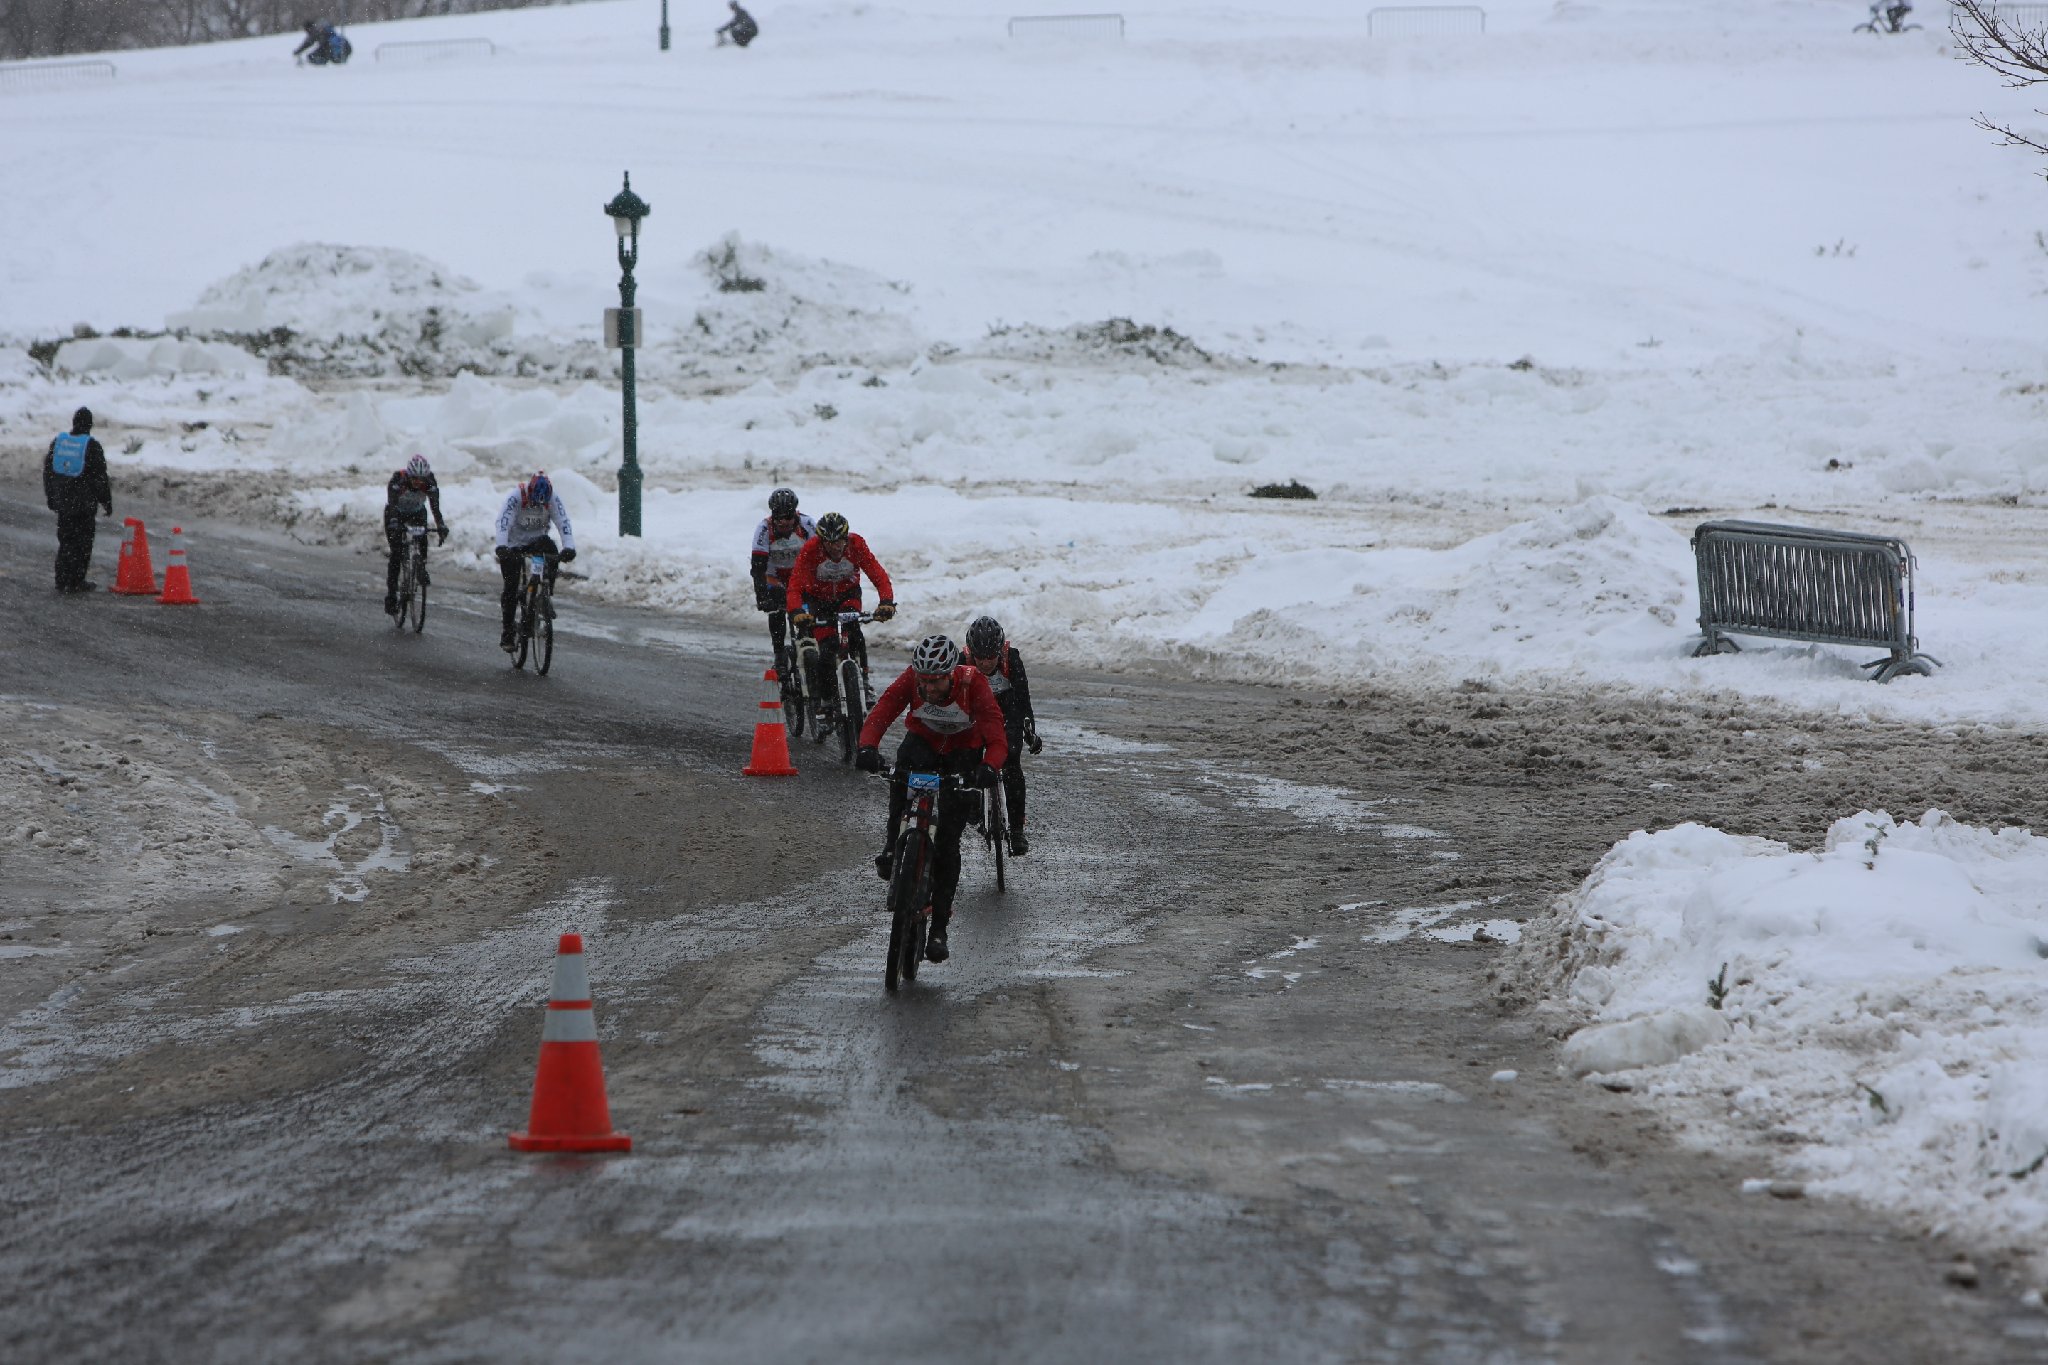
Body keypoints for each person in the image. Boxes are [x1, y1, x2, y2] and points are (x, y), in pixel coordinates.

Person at [855, 634, 1008, 964]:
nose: (928, 687)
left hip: (963, 754)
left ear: (951, 674)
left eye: (936, 681)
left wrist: (988, 767)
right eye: (923, 680)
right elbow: (883, 710)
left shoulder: (973, 683)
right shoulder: (912, 679)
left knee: (948, 844)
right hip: (923, 744)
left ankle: (939, 928)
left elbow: (997, 735)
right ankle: (892, 846)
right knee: (899, 779)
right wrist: (867, 746)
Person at [784, 511, 896, 702]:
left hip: (848, 595)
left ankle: (864, 682)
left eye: (839, 542)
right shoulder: (811, 549)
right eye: (829, 543)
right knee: (827, 649)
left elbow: (878, 575)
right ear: (821, 541)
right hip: (819, 600)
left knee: (854, 634)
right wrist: (796, 611)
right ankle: (827, 701)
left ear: (846, 538)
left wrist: (886, 602)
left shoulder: (856, 545)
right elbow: (795, 585)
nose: (835, 547)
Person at [965, 615, 1043, 856]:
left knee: (1011, 762)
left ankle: (1017, 829)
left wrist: (1029, 731)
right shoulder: (962, 662)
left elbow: (1023, 699)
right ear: (971, 653)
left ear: (1000, 651)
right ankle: (973, 803)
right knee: (967, 758)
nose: (985, 663)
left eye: (991, 657)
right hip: (975, 716)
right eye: (980, 657)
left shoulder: (1012, 659)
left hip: (1007, 715)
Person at [493, 472, 575, 652]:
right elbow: (503, 521)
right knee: (511, 587)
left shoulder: (552, 498)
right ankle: (508, 632)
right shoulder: (516, 496)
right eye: (534, 502)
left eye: (541, 504)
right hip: (513, 544)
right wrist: (501, 546)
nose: (537, 506)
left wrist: (569, 546)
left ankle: (545, 594)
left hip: (537, 542)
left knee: (552, 551)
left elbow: (563, 521)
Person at [43, 406, 112, 594]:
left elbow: (49, 472)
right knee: (82, 544)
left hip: (64, 503)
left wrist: (51, 497)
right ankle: (76, 581)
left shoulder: (59, 443)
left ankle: (61, 579)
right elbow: (100, 478)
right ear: (90, 425)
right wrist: (106, 502)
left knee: (66, 541)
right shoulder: (92, 446)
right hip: (84, 505)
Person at [750, 487, 815, 675]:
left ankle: (809, 644)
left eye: (788, 517)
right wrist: (762, 597)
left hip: (800, 577)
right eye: (779, 518)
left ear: (795, 513)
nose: (784, 522)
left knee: (809, 611)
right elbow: (758, 567)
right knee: (776, 607)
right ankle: (779, 653)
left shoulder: (808, 524)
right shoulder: (764, 529)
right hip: (775, 577)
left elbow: (820, 557)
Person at [383, 454, 450, 616]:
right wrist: (394, 523)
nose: (417, 482)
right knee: (396, 554)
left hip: (417, 513)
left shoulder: (430, 482)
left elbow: (435, 507)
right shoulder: (398, 480)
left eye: (421, 479)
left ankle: (421, 566)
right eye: (414, 479)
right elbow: (392, 504)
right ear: (408, 475)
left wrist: (441, 525)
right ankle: (391, 596)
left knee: (422, 536)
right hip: (396, 514)